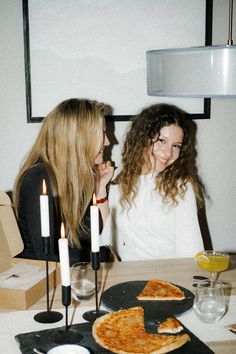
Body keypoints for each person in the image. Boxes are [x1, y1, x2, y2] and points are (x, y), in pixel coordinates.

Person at [13, 98, 114, 265]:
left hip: (69, 276)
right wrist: (105, 254)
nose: (108, 142)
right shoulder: (38, 179)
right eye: (101, 134)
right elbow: (49, 256)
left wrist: (100, 188)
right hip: (45, 282)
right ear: (78, 139)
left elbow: (92, 233)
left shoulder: (75, 176)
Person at [101, 103, 204, 261]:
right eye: (162, 141)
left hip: (167, 278)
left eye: (176, 146)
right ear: (142, 138)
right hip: (127, 276)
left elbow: (191, 252)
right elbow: (109, 240)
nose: (169, 153)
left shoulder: (181, 186)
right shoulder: (120, 178)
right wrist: (101, 187)